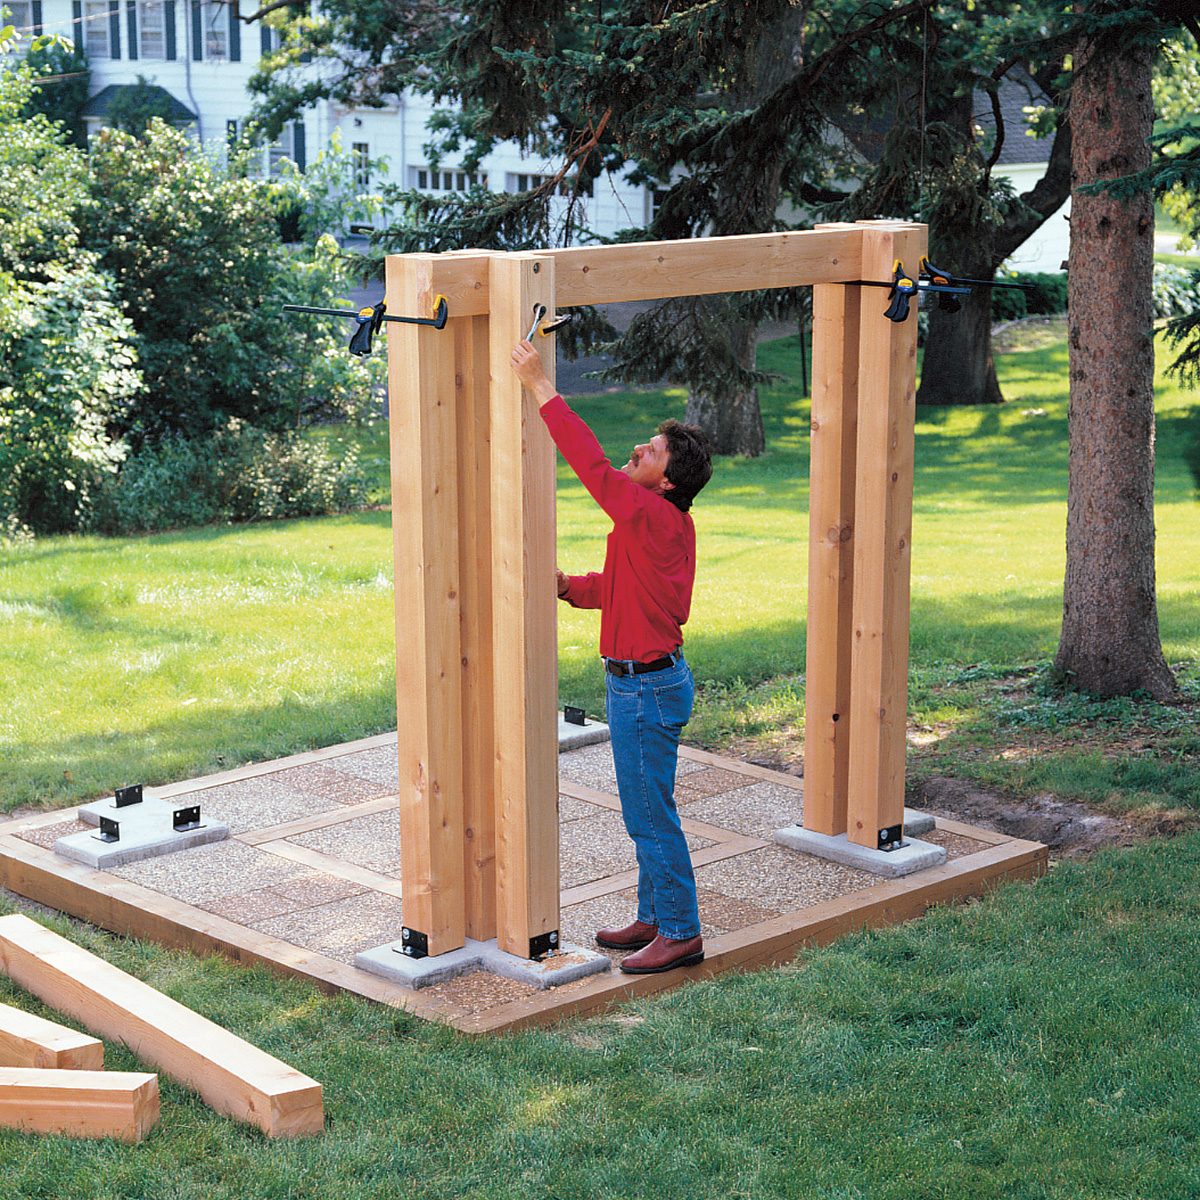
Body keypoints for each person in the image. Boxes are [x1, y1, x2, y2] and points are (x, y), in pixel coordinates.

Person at [510, 339, 714, 974]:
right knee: (651, 808)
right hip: (647, 682)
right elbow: (622, 590)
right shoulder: (656, 524)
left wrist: (542, 387)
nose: (637, 451)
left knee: (649, 816)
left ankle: (681, 932)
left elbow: (592, 468)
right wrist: (572, 587)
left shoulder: (654, 517)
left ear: (669, 480)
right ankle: (654, 917)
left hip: (645, 689)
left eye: (650, 452)